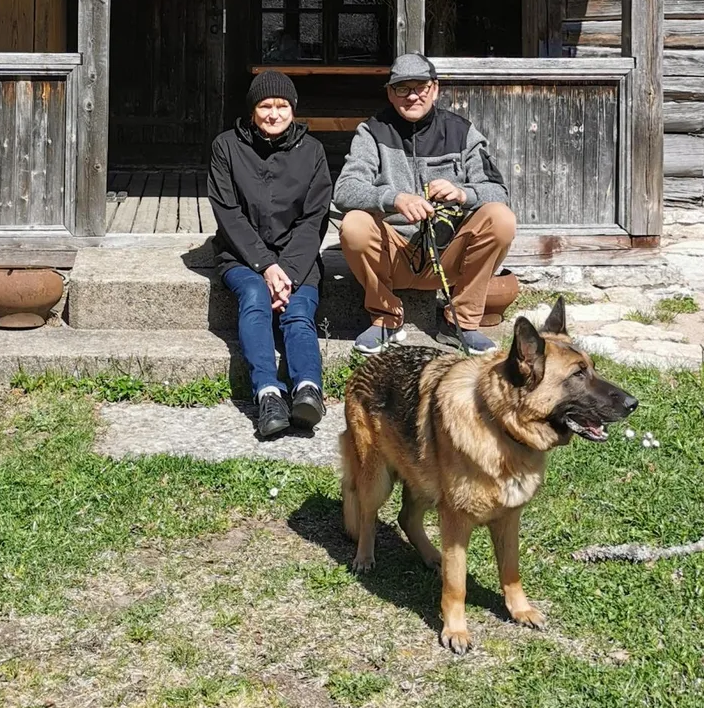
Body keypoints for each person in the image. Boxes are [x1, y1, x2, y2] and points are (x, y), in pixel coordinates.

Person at [334, 53, 516, 355]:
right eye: (402, 89)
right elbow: (345, 190)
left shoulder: (462, 132)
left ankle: (462, 323)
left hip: (448, 255)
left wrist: (463, 193)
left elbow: (498, 192)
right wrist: (394, 199)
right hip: (394, 254)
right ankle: (385, 318)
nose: (412, 96)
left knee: (501, 218)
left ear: (435, 89)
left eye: (420, 87)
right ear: (391, 93)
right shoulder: (373, 131)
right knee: (353, 224)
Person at [207, 69, 333, 441]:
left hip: (299, 258)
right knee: (254, 298)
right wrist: (266, 266)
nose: (274, 114)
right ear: (252, 111)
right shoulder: (226, 146)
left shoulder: (312, 152)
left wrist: (288, 271)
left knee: (298, 312)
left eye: (282, 106)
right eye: (265, 106)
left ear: (293, 109)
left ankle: (308, 389)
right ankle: (268, 395)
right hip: (243, 256)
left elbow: (314, 219)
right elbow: (227, 212)